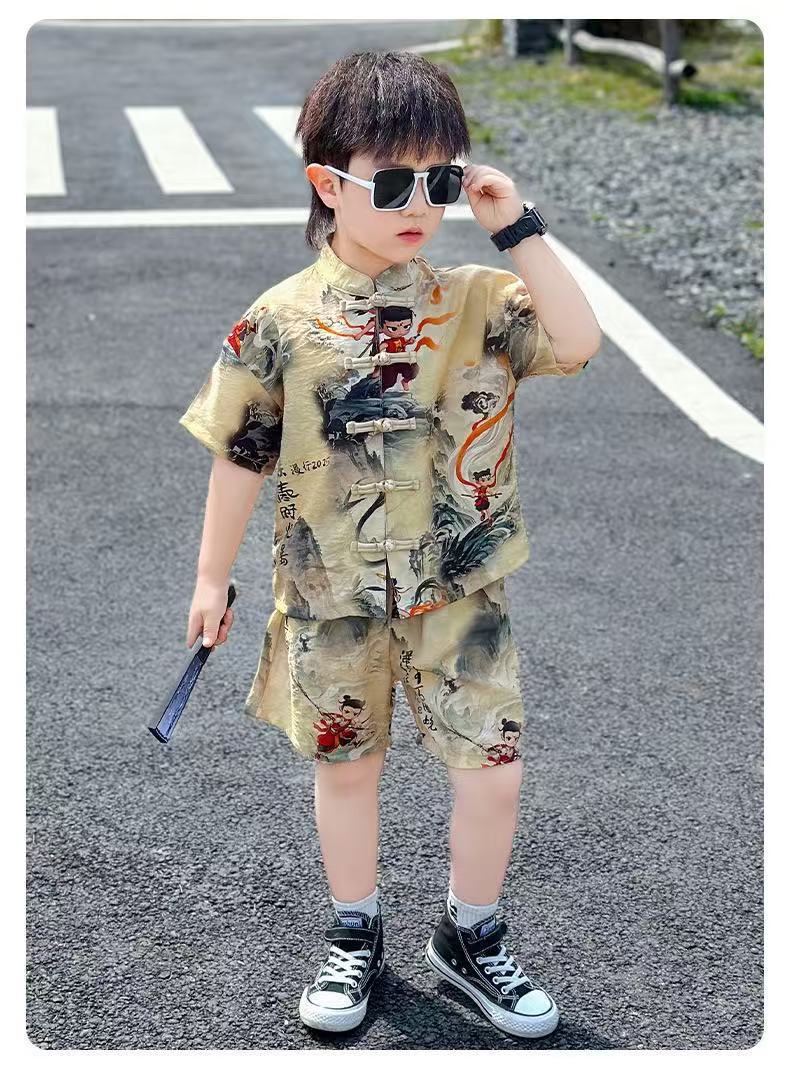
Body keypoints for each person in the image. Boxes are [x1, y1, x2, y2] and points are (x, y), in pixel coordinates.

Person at [178, 50, 601, 1040]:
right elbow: (240, 453)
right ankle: (354, 929)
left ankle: (470, 931)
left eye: (440, 181)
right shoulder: (279, 320)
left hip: (460, 587)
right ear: (328, 184)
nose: (421, 204)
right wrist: (210, 577)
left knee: (492, 766)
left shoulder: (479, 299)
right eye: (394, 181)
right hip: (331, 594)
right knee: (346, 767)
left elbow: (578, 341)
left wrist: (516, 226)